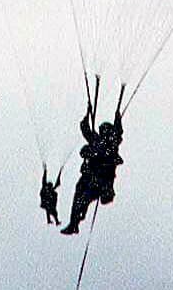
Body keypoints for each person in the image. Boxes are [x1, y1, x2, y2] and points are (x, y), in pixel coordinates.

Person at [60, 77, 125, 235]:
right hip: (88, 179)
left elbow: (117, 133)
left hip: (98, 181)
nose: (102, 133)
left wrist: (118, 117)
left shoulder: (111, 144)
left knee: (83, 199)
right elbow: (85, 129)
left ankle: (76, 221)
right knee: (78, 198)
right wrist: (87, 113)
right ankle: (74, 223)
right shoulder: (97, 140)